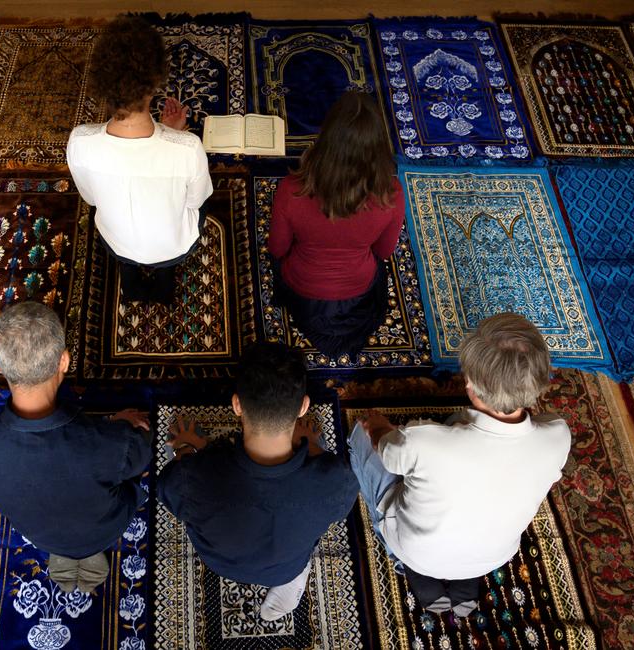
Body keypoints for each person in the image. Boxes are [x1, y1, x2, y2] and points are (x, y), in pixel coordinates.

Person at [348, 313, 571, 616]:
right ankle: (466, 582)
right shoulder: (558, 437)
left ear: (469, 383)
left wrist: (375, 425)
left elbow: (387, 449)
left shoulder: (421, 441)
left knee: (359, 437)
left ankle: (417, 575)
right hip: (491, 556)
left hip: (416, 549)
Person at [0, 302, 151, 594]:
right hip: (106, 527)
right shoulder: (113, 442)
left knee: (59, 533)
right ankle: (90, 552)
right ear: (65, 362)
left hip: (40, 534)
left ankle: (66, 553)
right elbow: (140, 455)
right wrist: (117, 423)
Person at [156, 342, 358, 621]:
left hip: (221, 564)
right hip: (287, 566)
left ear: (237, 405)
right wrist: (311, 445)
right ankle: (291, 582)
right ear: (303, 407)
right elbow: (338, 501)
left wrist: (187, 450)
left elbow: (167, 487)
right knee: (295, 557)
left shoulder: (193, 479)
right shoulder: (336, 481)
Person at [67, 15, 213, 303]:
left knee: (127, 256)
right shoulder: (187, 148)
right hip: (173, 246)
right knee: (196, 211)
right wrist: (172, 134)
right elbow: (196, 202)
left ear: (100, 84)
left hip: (116, 242)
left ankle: (131, 287)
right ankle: (163, 287)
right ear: (155, 81)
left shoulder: (80, 141)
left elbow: (91, 198)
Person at [268, 91, 404, 359]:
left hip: (302, 287)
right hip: (358, 289)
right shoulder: (392, 194)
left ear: (327, 138)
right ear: (379, 144)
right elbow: (384, 252)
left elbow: (277, 248)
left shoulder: (291, 189)